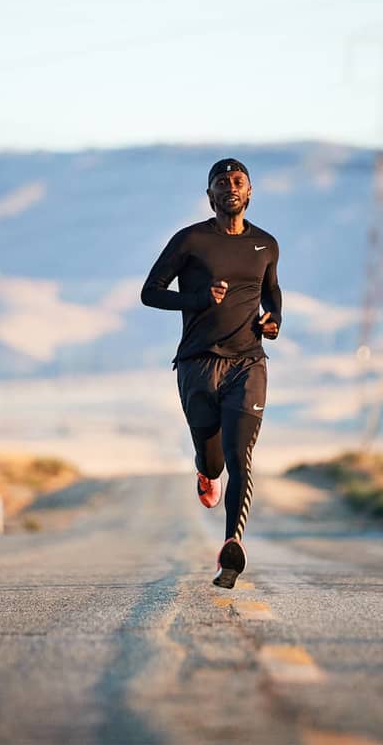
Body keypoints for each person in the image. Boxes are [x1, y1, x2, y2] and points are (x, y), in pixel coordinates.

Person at [140, 158, 282, 589]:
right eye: (221, 183)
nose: (230, 188)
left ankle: (230, 549)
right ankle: (204, 470)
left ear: (250, 192)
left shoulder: (266, 245)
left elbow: (272, 294)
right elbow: (150, 293)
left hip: (248, 363)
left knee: (241, 456)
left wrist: (273, 322)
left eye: (238, 181)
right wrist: (201, 298)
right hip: (198, 365)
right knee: (215, 460)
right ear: (209, 196)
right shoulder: (191, 241)